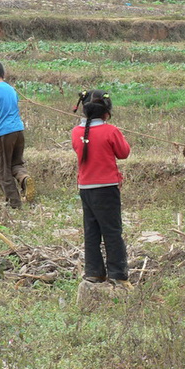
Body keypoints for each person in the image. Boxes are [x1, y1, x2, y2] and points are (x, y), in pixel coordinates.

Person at [71, 90, 132, 289]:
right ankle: (118, 275)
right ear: (106, 112)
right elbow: (123, 153)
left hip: (85, 188)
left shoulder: (76, 132)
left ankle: (94, 273)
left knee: (91, 231)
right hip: (107, 188)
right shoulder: (110, 131)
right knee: (112, 231)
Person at [0, 60, 35, 209]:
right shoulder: (11, 89)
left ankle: (14, 203)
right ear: (3, 74)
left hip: (4, 133)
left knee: (3, 168)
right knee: (16, 163)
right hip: (19, 130)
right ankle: (24, 179)